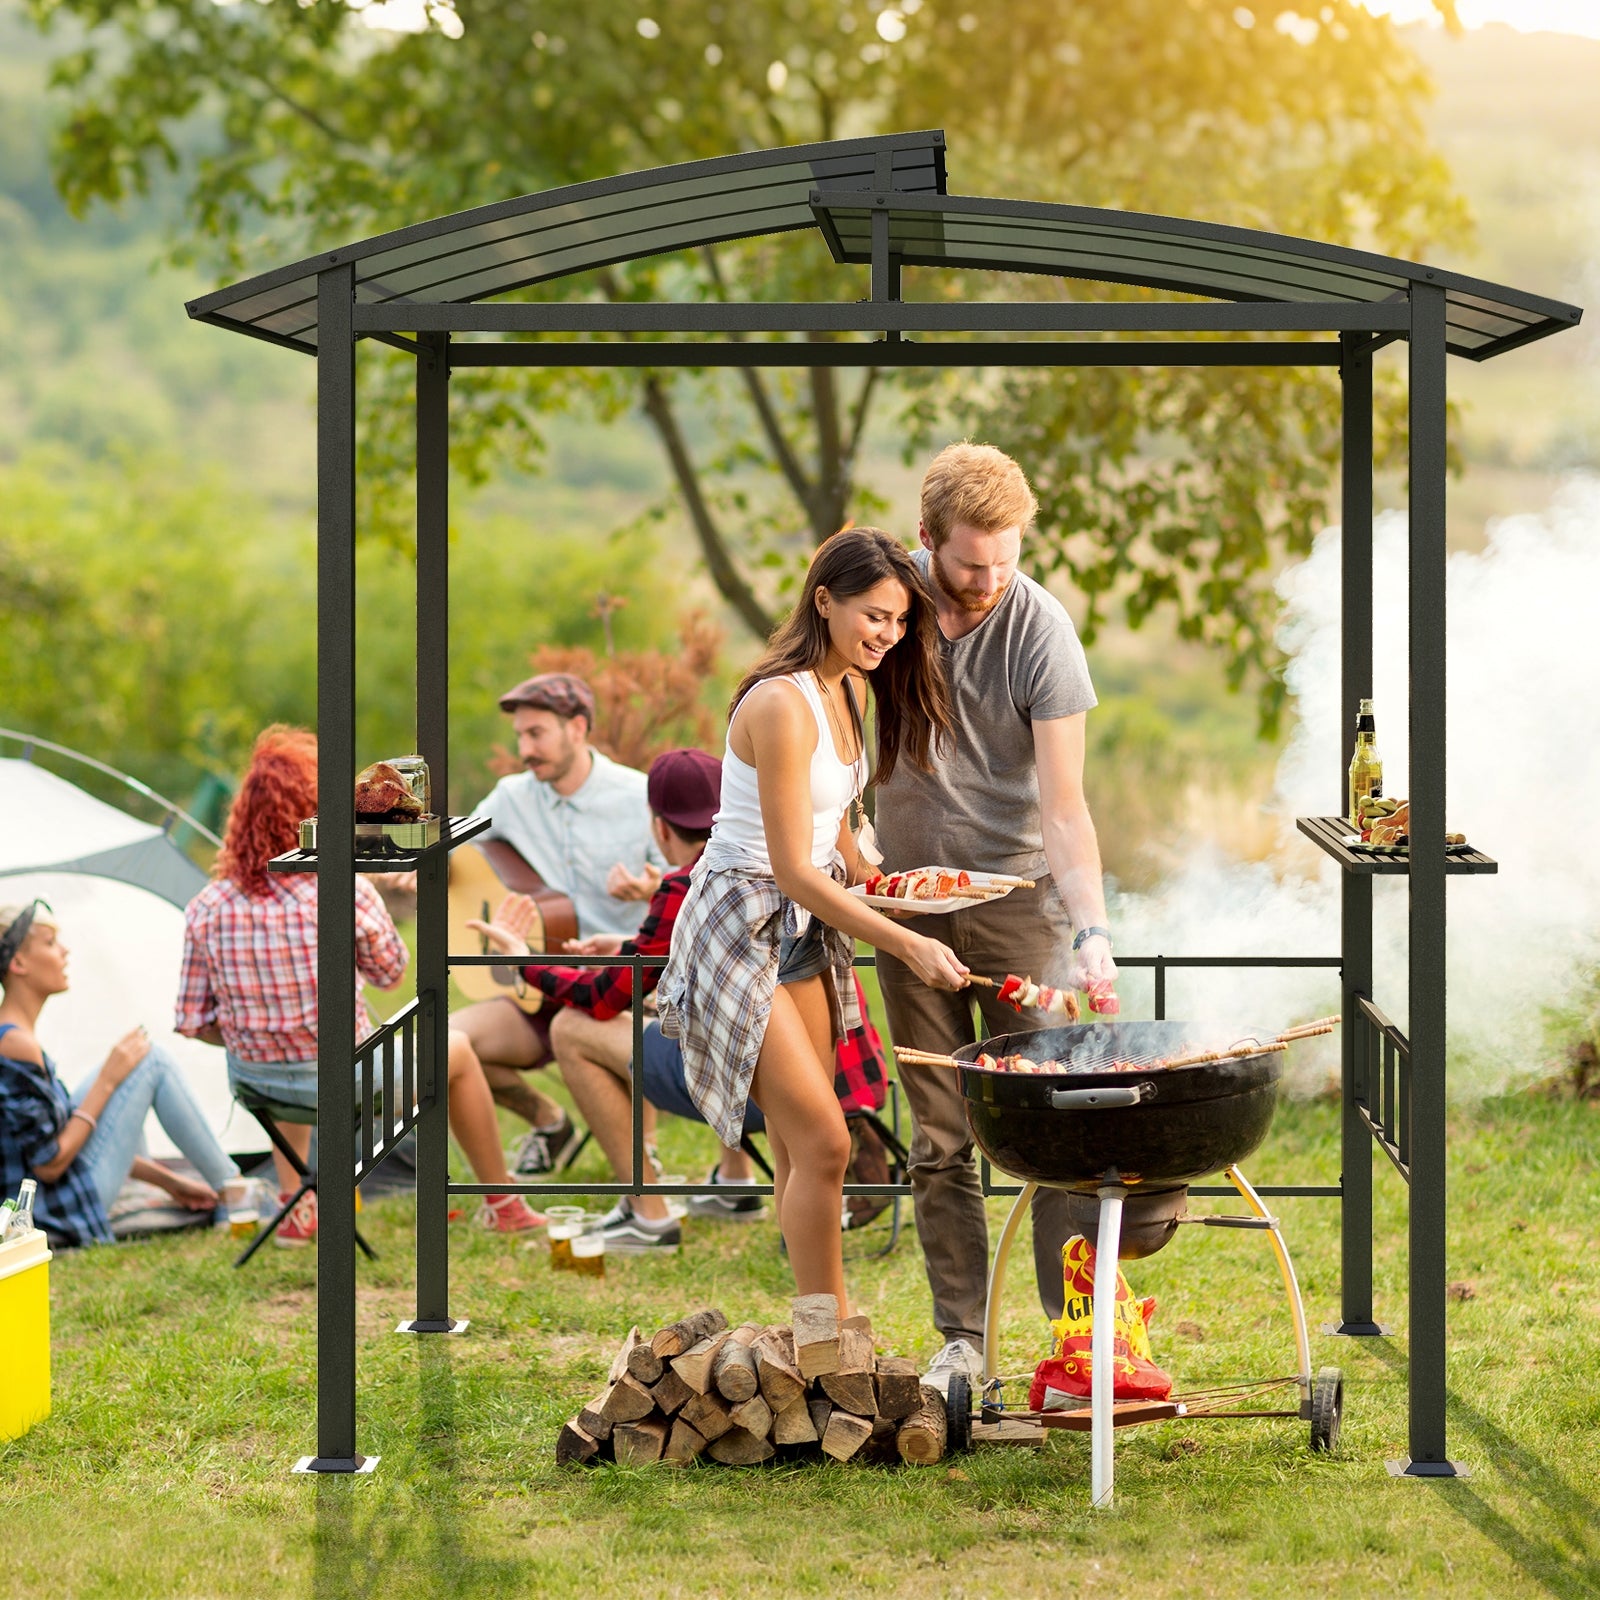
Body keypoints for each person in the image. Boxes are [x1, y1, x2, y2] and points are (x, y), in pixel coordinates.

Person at [657, 527, 968, 1311]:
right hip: (740, 926)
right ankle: (829, 1336)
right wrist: (905, 940)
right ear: (824, 601)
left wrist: (886, 883)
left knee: (807, 1144)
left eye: (899, 622)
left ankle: (810, 1329)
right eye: (874, 616)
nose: (888, 636)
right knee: (829, 1142)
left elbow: (829, 824)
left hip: (801, 927)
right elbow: (792, 866)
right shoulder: (780, 703)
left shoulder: (848, 689)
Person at [872, 441, 1118, 1395]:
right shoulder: (886, 614)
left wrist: (1090, 933)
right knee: (938, 1138)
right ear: (927, 538)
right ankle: (962, 1343)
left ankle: (1078, 1339)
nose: (988, 581)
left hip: (1021, 906)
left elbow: (1065, 805)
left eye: (1005, 560)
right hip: (908, 909)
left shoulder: (1041, 629)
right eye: (970, 563)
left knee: (1050, 1126)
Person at [174, 724, 543, 1245]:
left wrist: (259, 1032)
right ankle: (503, 1203)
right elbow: (391, 973)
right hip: (346, 1087)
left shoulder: (206, 906)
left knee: (291, 1052)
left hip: (257, 1085)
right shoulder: (343, 892)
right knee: (454, 1048)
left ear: (241, 819)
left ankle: (299, 1205)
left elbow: (193, 1023)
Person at [466, 747, 761, 1255]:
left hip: (736, 1088)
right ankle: (735, 1184)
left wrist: (524, 960)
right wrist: (625, 951)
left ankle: (646, 1214)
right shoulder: (763, 864)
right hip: (803, 1081)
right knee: (722, 1005)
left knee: (572, 1029)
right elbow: (682, 956)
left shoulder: (682, 885)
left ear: (660, 827)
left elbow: (602, 1000)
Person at [450, 671, 668, 1174]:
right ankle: (549, 1122)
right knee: (445, 1045)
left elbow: (687, 886)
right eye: (520, 736)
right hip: (537, 984)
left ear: (577, 728)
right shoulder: (510, 797)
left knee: (622, 1028)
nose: (525, 748)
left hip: (620, 987)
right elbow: (459, 856)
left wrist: (650, 889)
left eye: (536, 734)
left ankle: (643, 1149)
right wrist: (426, 875)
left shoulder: (639, 796)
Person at [0, 899, 240, 1248]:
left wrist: (170, 1182)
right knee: (150, 1061)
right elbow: (49, 1165)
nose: (65, 951)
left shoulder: (13, 1035)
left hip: (51, 1195)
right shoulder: (15, 1044)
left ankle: (231, 1189)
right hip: (53, 1210)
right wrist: (108, 1080)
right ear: (19, 963)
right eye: (50, 943)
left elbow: (63, 1128)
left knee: (135, 1060)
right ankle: (236, 1194)